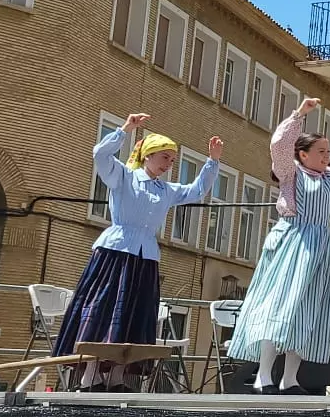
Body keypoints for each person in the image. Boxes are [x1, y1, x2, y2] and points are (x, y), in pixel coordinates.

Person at [57, 114, 222, 391]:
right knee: (103, 310)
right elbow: (100, 154)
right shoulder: (123, 177)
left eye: (171, 160)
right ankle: (90, 376)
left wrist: (213, 161)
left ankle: (119, 376)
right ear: (148, 155)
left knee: (134, 313)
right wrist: (125, 129)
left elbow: (196, 191)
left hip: (145, 258)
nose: (169, 165)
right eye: (165, 158)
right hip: (115, 253)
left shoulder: (166, 190)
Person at [229, 99, 330, 395]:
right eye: (320, 152)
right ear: (302, 154)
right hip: (293, 243)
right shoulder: (291, 173)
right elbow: (278, 145)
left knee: (308, 312)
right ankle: (262, 375)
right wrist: (298, 115)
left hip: (320, 249)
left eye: (329, 152)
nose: (327, 157)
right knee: (279, 307)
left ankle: (290, 378)